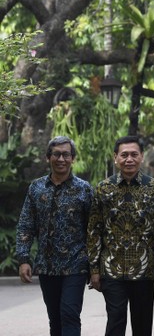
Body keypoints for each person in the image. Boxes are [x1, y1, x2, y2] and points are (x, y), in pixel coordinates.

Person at [87, 135, 154, 336]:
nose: (129, 159)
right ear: (115, 157)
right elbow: (94, 230)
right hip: (111, 269)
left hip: (144, 269)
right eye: (124, 155)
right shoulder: (103, 188)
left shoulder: (153, 188)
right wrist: (93, 269)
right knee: (116, 321)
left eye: (134, 154)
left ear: (141, 157)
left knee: (143, 325)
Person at [16, 136, 93, 336]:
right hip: (47, 266)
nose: (61, 159)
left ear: (73, 158)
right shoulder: (36, 187)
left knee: (69, 313)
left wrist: (95, 267)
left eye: (66, 154)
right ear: (48, 157)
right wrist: (24, 259)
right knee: (55, 319)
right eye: (56, 154)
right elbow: (26, 224)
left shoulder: (84, 189)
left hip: (75, 265)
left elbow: (94, 230)